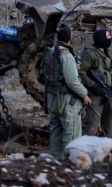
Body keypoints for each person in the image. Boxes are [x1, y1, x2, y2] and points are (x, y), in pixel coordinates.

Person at [43, 25, 90, 158]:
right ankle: (70, 165)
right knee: (71, 133)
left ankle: (56, 162)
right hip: (66, 101)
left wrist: (72, 67)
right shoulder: (67, 55)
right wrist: (84, 94)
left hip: (52, 98)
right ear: (70, 39)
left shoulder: (52, 51)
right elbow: (71, 81)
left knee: (55, 131)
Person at [79, 28, 112, 138]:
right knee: (92, 125)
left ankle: (105, 149)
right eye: (107, 36)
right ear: (101, 39)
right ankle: (84, 150)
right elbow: (81, 72)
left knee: (109, 124)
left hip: (109, 94)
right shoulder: (90, 53)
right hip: (96, 94)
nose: (109, 38)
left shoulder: (109, 54)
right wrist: (93, 86)